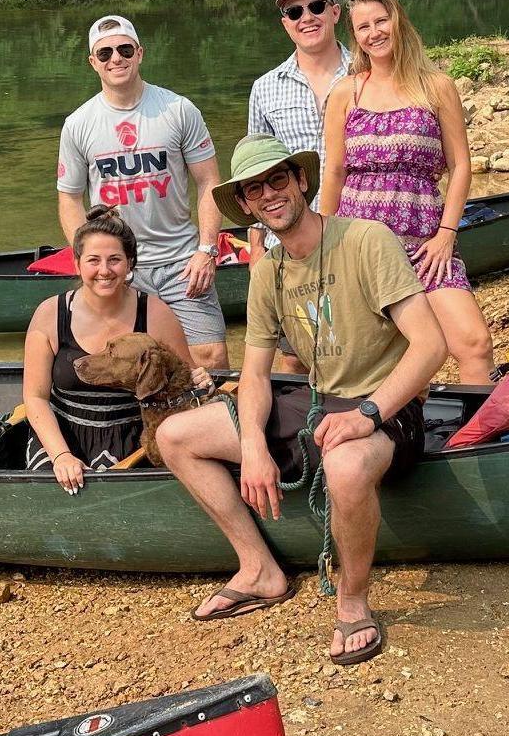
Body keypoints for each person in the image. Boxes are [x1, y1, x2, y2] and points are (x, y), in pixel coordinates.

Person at [155, 134, 447, 666]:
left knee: (345, 464)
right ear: (244, 204)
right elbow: (257, 374)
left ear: (301, 181)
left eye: (277, 179)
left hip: (389, 407)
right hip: (320, 403)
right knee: (175, 435)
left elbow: (431, 346)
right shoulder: (267, 270)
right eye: (254, 188)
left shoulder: (366, 240)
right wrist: (254, 447)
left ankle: (352, 601)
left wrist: (369, 413)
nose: (269, 194)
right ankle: (259, 568)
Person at [321, 0, 496, 384]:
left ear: (399, 22)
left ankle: (477, 441)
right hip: (360, 244)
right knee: (379, 359)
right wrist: (323, 244)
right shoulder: (346, 92)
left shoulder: (436, 86)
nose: (374, 33)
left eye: (381, 21)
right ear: (356, 37)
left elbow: (461, 166)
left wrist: (447, 233)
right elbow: (334, 171)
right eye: (364, 27)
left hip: (425, 246)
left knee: (473, 343)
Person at [57, 15, 228, 370]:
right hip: (118, 266)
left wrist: (207, 250)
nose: (115, 59)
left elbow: (210, 182)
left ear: (139, 53)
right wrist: (87, 259)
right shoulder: (78, 124)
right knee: (122, 365)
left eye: (124, 49)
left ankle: (207, 424)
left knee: (210, 359)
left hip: (182, 262)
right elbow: (69, 197)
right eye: (104, 53)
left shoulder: (178, 109)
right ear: (93, 62)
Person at [22, 206, 202, 491]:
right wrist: (62, 455)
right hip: (61, 435)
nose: (104, 271)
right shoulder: (50, 314)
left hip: (136, 437)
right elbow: (35, 397)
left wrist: (200, 378)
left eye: (115, 260)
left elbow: (184, 378)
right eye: (93, 260)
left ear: (130, 264)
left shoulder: (154, 313)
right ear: (77, 263)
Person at [245, 0, 351, 265]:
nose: (306, 17)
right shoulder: (265, 88)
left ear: (335, 12)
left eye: (316, 6)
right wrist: (256, 245)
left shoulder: (367, 75)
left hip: (356, 227)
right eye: (294, 12)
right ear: (285, 24)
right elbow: (255, 171)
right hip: (291, 236)